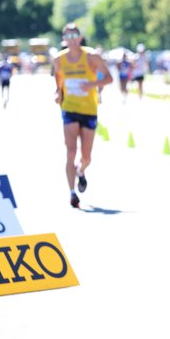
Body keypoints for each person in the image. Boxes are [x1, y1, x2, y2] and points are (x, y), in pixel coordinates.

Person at [53, 23, 113, 208]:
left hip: (89, 110)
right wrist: (58, 93)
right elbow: (59, 80)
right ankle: (72, 193)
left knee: (86, 157)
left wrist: (92, 84)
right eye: (67, 37)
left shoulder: (92, 56)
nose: (71, 40)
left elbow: (109, 78)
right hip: (69, 109)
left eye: (74, 36)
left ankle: (81, 170)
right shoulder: (59, 59)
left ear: (79, 38)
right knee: (70, 151)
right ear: (64, 39)